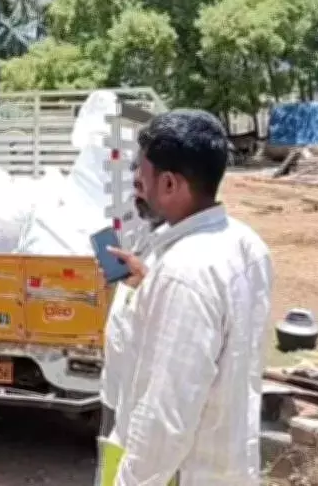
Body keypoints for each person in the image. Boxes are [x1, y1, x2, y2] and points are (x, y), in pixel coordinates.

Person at [99, 109, 273, 486]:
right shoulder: (246, 245)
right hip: (227, 463)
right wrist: (150, 286)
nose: (136, 185)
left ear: (170, 184)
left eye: (141, 175)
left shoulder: (185, 271)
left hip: (183, 473)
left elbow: (165, 415)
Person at [98, 195, 165, 440]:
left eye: (142, 185)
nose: (136, 197)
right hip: (114, 391)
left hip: (140, 400)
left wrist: (146, 280)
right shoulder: (144, 236)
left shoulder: (180, 253)